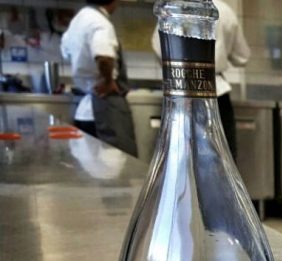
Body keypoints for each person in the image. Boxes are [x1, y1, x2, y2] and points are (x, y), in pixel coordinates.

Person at [151, 0, 250, 159]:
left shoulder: (172, 10)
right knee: (221, 157)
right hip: (216, 92)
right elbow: (242, 57)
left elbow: (159, 48)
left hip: (181, 93)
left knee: (181, 157)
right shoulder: (225, 11)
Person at [61, 0, 137, 156]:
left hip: (84, 112)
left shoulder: (78, 20)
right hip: (105, 106)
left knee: (89, 162)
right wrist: (108, 81)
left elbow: (65, 51)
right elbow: (103, 56)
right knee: (119, 161)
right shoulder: (100, 22)